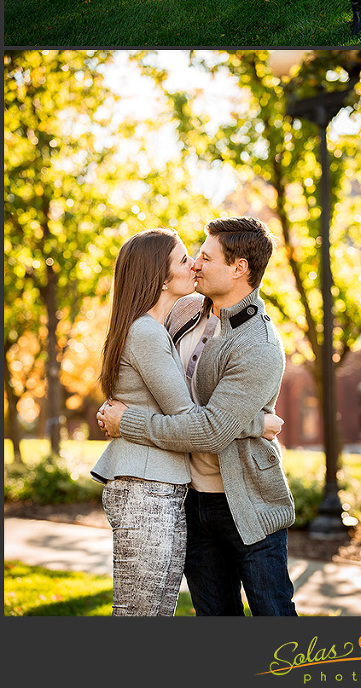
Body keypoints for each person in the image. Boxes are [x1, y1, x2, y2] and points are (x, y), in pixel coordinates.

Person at [99, 216, 298, 616]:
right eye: (193, 257)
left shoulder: (258, 345)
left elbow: (209, 431)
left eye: (205, 258)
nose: (195, 265)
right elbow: (151, 379)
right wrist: (254, 423)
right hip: (187, 495)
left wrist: (128, 423)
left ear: (239, 268)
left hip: (245, 501)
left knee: (273, 617)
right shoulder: (183, 310)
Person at [91, 228, 199, 616]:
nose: (194, 265)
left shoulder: (148, 329)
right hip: (144, 490)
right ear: (162, 276)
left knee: (155, 613)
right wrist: (256, 422)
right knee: (139, 615)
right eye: (184, 260)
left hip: (161, 486)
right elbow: (187, 421)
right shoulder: (146, 333)